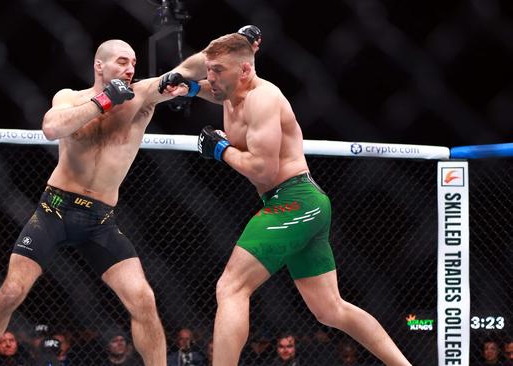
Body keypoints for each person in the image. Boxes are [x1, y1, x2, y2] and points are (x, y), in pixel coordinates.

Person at [158, 31, 412, 365]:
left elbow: (263, 170)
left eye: (217, 70)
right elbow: (217, 90)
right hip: (296, 203)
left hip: (295, 201)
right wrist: (191, 88)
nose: (210, 77)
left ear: (245, 71)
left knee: (231, 287)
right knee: (330, 310)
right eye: (209, 69)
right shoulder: (232, 91)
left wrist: (222, 150)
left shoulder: (264, 100)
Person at [0, 37, 194, 366]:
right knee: (12, 291)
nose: (130, 69)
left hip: (99, 221)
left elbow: (183, 74)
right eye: (122, 62)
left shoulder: (140, 96)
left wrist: (185, 81)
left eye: (134, 63)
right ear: (100, 65)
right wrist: (103, 100)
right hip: (53, 210)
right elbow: (51, 128)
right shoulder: (69, 97)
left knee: (143, 299)